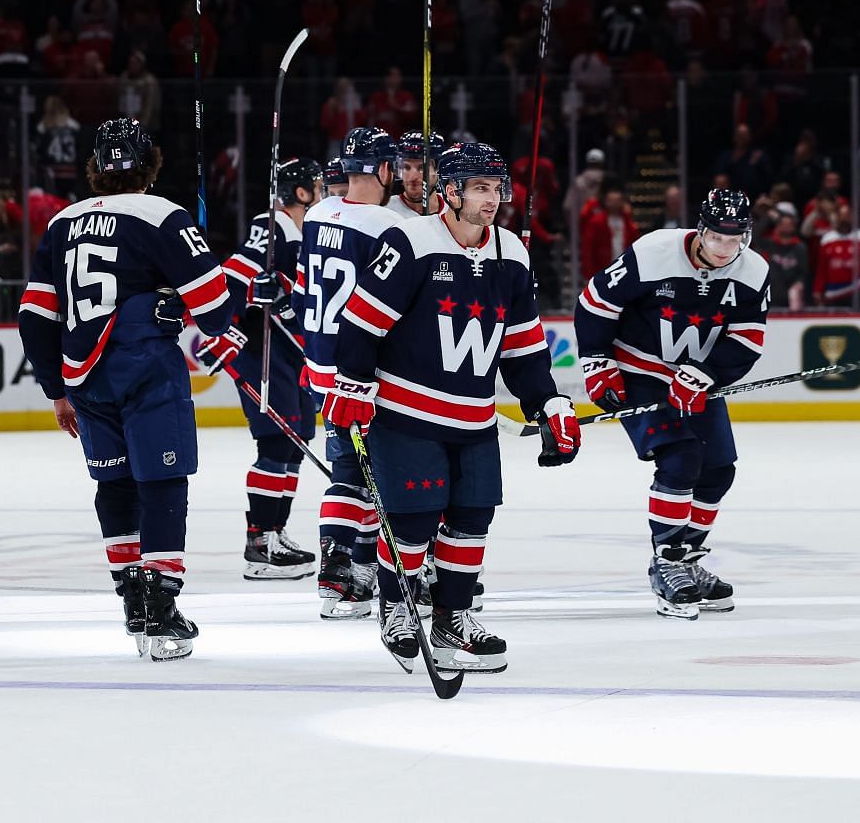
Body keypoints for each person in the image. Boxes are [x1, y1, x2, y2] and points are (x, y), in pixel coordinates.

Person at [327, 140, 579, 673]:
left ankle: (452, 616)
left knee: (472, 519)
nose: (492, 200)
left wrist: (548, 401)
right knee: (413, 522)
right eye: (480, 189)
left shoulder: (512, 252)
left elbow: (524, 346)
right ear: (451, 192)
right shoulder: (412, 241)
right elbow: (359, 322)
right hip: (404, 414)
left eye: (497, 189)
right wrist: (351, 383)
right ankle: (396, 606)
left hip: (474, 417)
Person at [18, 118, 234, 660]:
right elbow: (215, 310)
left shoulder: (61, 222)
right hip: (144, 368)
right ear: (150, 163)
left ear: (95, 166)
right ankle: (160, 609)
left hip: (83, 377)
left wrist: (56, 389)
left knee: (114, 487)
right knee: (163, 480)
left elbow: (33, 317)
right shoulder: (163, 215)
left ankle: (132, 603)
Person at [575, 188, 769, 618]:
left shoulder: (753, 272)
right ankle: (667, 561)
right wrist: (596, 363)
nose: (725, 248)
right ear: (701, 230)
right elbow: (595, 303)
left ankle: (687, 559)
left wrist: (706, 373)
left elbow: (748, 339)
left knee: (719, 469)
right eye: (717, 237)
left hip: (697, 380)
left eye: (734, 238)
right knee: (681, 459)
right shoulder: (654, 252)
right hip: (639, 373)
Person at [194, 156, 323, 579]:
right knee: (274, 442)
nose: (323, 193)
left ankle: (276, 532)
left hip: (290, 354)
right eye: (317, 186)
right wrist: (225, 331)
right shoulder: (273, 226)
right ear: (301, 193)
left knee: (295, 441)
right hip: (261, 351)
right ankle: (259, 542)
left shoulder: (305, 232)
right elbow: (232, 276)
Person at [301, 129, 404, 619]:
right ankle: (345, 572)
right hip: (360, 371)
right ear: (384, 170)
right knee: (364, 473)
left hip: (320, 363)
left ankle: (349, 568)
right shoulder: (387, 225)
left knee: (350, 470)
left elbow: (305, 287)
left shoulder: (319, 214)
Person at [386, 130, 444, 220]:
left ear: (438, 170)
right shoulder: (386, 211)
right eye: (406, 167)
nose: (412, 177)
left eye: (422, 168)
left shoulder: (455, 209)